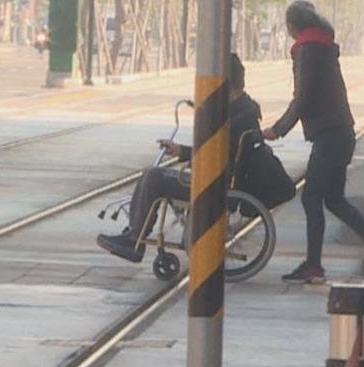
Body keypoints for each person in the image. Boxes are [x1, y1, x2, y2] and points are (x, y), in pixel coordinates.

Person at [97, 54, 261, 263]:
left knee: (154, 176)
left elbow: (214, 152)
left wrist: (185, 152)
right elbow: (215, 150)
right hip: (218, 177)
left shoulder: (235, 116)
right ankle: (134, 234)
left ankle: (134, 238)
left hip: (213, 183)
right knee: (151, 173)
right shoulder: (245, 109)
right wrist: (181, 151)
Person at [262, 0, 364, 284]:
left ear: (292, 26)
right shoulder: (322, 46)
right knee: (334, 200)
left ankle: (314, 265)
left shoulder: (306, 49)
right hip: (340, 132)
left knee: (312, 197)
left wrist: (278, 129)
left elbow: (303, 96)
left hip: (330, 135)